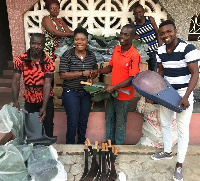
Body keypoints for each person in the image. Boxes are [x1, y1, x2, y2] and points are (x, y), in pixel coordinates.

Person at [151, 20, 200, 181]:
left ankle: (179, 164)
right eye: (162, 33)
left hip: (183, 93)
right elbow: (161, 71)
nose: (165, 35)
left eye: (168, 32)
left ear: (175, 31)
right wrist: (154, 90)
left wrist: (186, 97)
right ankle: (167, 152)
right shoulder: (160, 50)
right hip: (167, 92)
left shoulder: (188, 48)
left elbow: (195, 74)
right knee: (164, 122)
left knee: (182, 129)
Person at [91, 24, 141, 145]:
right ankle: (109, 143)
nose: (122, 37)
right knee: (109, 118)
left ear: (133, 37)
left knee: (120, 122)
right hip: (112, 93)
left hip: (124, 95)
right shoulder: (117, 49)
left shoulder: (135, 55)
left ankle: (118, 146)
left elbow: (132, 78)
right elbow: (110, 67)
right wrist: (98, 71)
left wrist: (114, 87)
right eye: (121, 34)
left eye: (126, 35)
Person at [59, 27, 98, 144]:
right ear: (73, 41)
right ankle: (70, 147)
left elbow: (95, 71)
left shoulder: (91, 55)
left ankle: (81, 145)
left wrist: (92, 76)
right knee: (72, 121)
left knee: (83, 121)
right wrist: (82, 73)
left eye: (82, 39)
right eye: (77, 39)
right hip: (71, 92)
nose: (79, 42)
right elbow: (62, 75)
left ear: (87, 40)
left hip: (86, 93)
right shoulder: (67, 54)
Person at [11, 33, 55, 137]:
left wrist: (44, 107)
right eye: (33, 43)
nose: (36, 46)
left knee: (48, 125)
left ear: (44, 46)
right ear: (30, 43)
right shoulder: (20, 59)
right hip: (29, 99)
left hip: (45, 98)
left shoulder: (48, 62)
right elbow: (15, 81)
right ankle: (34, 149)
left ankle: (48, 148)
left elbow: (47, 84)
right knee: (31, 126)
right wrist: (16, 101)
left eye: (39, 44)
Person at [133, 3, 162, 72]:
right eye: (136, 13)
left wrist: (160, 47)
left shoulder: (150, 19)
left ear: (143, 12)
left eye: (140, 12)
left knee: (153, 72)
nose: (138, 15)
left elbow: (157, 32)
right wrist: (134, 37)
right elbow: (132, 38)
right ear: (134, 14)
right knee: (143, 73)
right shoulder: (133, 25)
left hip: (154, 51)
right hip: (143, 54)